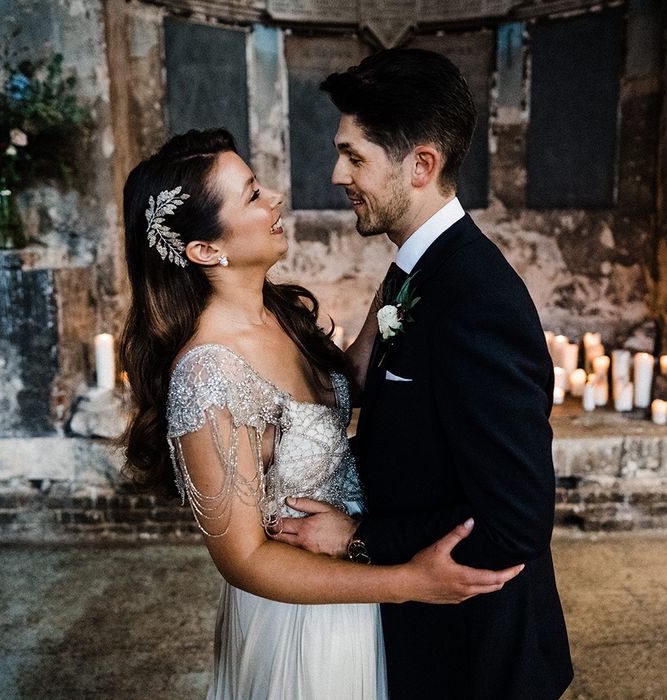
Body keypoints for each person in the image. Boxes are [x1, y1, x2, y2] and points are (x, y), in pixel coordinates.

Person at [118, 128, 524, 699]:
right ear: (205, 251)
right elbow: (245, 561)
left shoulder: (283, 314)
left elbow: (352, 378)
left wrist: (415, 264)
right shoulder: (207, 375)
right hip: (304, 620)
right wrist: (408, 581)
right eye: (253, 194)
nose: (275, 199)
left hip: (363, 589)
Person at [272, 49, 574, 698]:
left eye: (355, 157)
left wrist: (357, 538)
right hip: (424, 637)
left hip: (476, 653)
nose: (336, 173)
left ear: (422, 165)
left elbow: (515, 523)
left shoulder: (475, 298)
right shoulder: (413, 270)